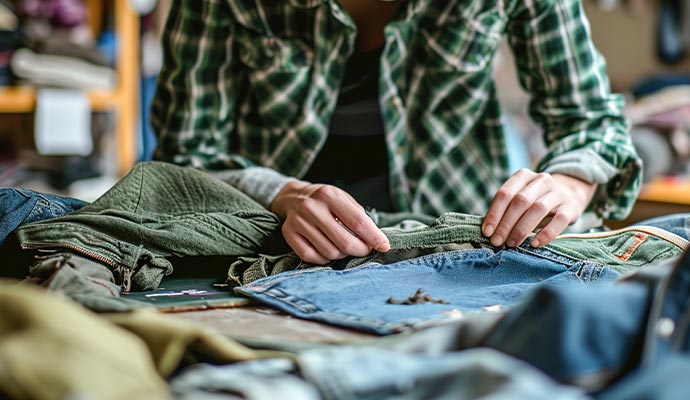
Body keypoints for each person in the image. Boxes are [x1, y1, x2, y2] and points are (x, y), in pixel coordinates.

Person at [151, 0, 642, 265]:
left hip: (467, 244)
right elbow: (183, 154)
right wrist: (281, 194)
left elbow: (590, 119)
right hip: (278, 244)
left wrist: (570, 183)